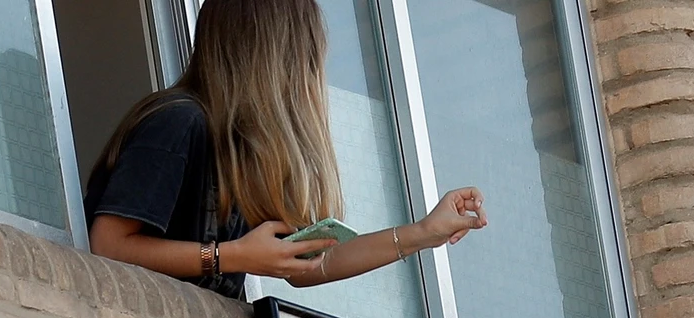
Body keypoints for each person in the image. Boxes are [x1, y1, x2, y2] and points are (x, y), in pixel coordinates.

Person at [85, 0, 484, 299]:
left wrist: (423, 233)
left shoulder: (247, 149)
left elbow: (309, 265)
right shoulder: (179, 121)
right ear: (276, 59)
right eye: (305, 57)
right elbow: (108, 245)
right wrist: (229, 256)